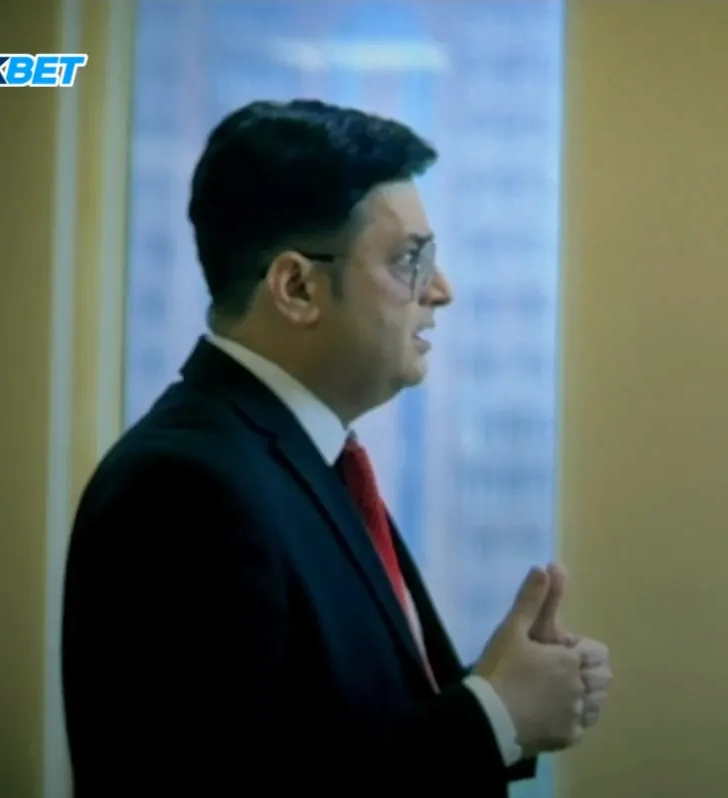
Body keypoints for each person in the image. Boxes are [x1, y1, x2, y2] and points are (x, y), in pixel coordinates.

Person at [61, 99, 611, 797]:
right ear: (297, 287)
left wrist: (504, 689)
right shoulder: (182, 487)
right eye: (409, 260)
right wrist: (494, 718)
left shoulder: (299, 458)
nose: (442, 291)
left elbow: (326, 731)